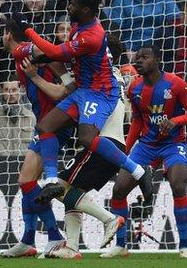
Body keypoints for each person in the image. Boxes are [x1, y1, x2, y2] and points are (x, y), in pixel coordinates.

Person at [10, 0, 154, 204]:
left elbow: (57, 53)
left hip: (101, 93)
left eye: (74, 4)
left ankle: (137, 171)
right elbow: (65, 55)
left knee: (86, 138)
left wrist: (28, 30)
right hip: (85, 88)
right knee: (45, 126)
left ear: (86, 9)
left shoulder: (92, 36)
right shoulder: (79, 24)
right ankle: (51, 181)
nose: (69, 6)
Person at [14, 31, 132, 259]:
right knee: (72, 191)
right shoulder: (115, 78)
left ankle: (108, 219)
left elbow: (60, 94)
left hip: (102, 145)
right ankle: (72, 248)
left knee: (58, 188)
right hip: (113, 144)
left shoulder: (94, 79)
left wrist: (36, 76)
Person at [102, 45, 187, 259]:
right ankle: (121, 245)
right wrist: (124, 152)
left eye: (144, 57)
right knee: (118, 190)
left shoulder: (175, 83)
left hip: (173, 145)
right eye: (137, 58)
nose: (138, 61)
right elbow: (138, 120)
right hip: (145, 147)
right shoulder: (134, 88)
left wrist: (175, 121)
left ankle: (184, 245)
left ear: (157, 60)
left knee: (178, 184)